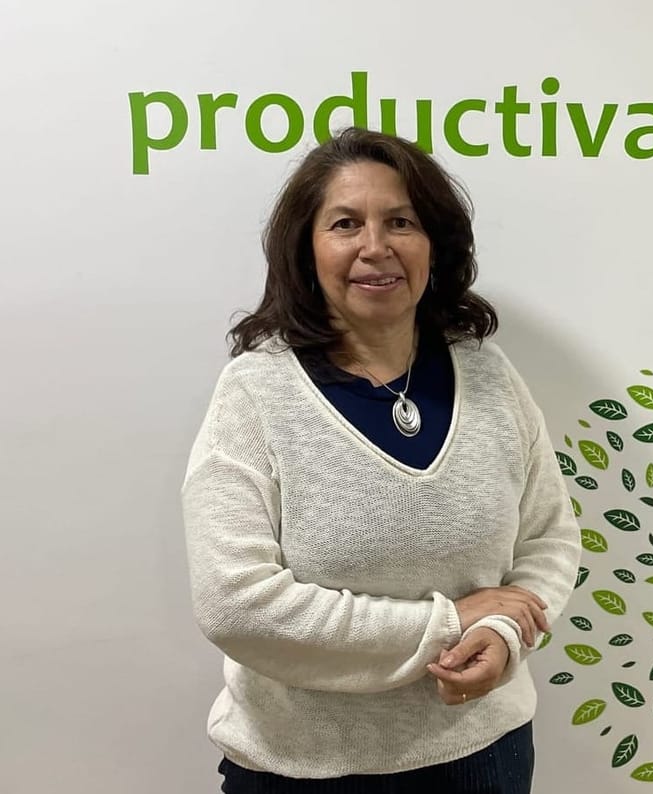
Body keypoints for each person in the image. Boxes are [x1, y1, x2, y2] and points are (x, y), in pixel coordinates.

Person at [181, 127, 582, 793]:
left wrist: (505, 633)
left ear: (434, 245)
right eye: (345, 224)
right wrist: (449, 624)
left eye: (401, 221)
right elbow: (236, 603)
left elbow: (550, 535)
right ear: (306, 250)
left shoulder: (488, 374)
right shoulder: (256, 393)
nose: (376, 246)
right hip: (303, 771)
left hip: (486, 756)